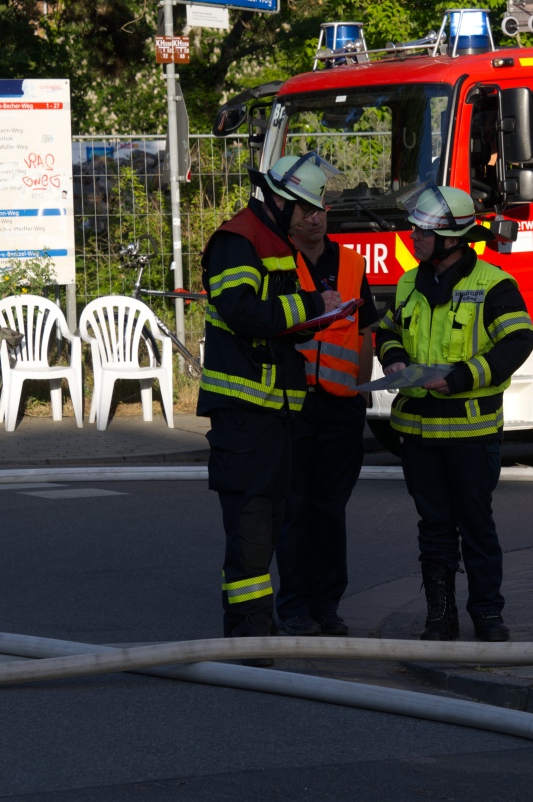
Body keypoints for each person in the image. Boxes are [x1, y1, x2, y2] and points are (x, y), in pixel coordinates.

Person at [197, 153, 340, 665]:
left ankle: (255, 628)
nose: (311, 218)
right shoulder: (238, 240)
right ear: (281, 201)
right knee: (251, 527)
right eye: (306, 208)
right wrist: (312, 307)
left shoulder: (273, 241)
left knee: (269, 523)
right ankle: (248, 634)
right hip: (243, 411)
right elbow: (243, 312)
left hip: (272, 410)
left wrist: (314, 318)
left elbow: (275, 320)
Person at [375, 183, 533, 642]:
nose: (413, 237)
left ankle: (487, 614)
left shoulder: (494, 284)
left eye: (422, 231)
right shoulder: (409, 282)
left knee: (476, 525)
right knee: (434, 529)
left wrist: (464, 377)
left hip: (470, 433)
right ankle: (439, 617)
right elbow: (387, 331)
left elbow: (518, 341)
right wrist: (393, 359)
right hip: (418, 433)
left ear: (451, 239)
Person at [274, 159, 380, 637]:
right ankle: (295, 606)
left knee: (330, 510)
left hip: (340, 406)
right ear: (289, 214)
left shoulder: (352, 264)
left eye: (319, 209)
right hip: (293, 404)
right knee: (294, 509)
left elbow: (366, 333)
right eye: (304, 210)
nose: (313, 218)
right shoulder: (278, 262)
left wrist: (360, 394)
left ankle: (327, 606)